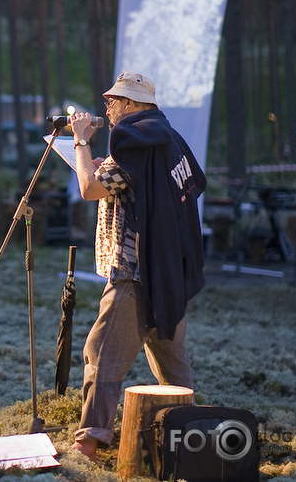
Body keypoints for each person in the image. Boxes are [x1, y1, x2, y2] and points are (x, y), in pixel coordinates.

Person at [69, 72, 206, 462]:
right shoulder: (165, 138)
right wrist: (105, 165)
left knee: (101, 353)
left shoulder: (132, 138)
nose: (107, 108)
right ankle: (194, 439)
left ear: (131, 105)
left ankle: (89, 443)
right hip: (168, 272)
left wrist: (80, 143)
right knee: (172, 365)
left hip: (135, 271)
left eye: (113, 101)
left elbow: (89, 189)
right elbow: (141, 188)